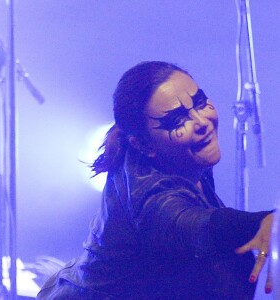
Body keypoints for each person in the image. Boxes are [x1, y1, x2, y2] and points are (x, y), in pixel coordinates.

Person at [36, 61, 274, 299]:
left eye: (200, 103)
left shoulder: (178, 151)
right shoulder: (149, 192)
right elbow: (192, 224)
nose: (201, 122)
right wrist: (264, 221)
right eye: (177, 120)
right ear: (142, 144)